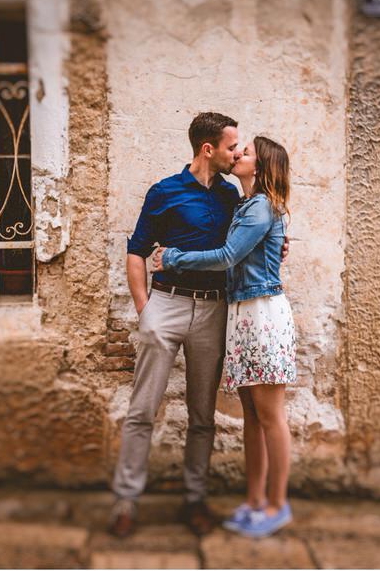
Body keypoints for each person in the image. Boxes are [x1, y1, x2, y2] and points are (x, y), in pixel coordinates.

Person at [151, 135, 296, 539]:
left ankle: (276, 504)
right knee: (253, 416)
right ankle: (253, 502)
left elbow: (228, 256)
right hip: (244, 313)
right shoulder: (247, 205)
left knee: (271, 417)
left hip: (262, 313)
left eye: (245, 152)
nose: (237, 154)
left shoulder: (261, 207)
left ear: (262, 166)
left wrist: (172, 256)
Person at [109, 112, 242, 539]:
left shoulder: (231, 195)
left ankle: (194, 499)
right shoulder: (164, 192)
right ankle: (126, 502)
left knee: (203, 415)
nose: (235, 153)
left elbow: (246, 242)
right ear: (209, 149)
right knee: (141, 411)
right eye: (230, 146)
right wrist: (145, 308)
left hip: (213, 311)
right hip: (165, 306)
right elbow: (137, 251)